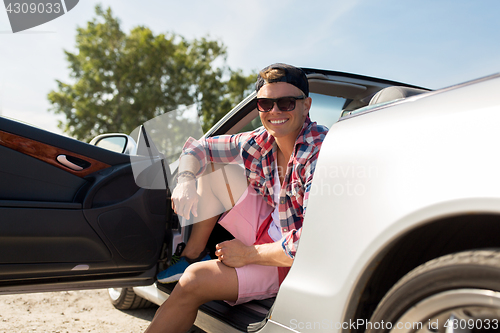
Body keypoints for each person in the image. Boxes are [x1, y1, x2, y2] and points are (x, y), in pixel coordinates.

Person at [144, 63, 329, 333]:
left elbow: (311, 243)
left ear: (306, 105)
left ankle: (194, 269)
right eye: (266, 104)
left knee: (195, 281)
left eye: (286, 102)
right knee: (216, 170)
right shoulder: (261, 141)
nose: (275, 111)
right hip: (266, 227)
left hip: (289, 262)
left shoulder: (320, 153)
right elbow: (198, 147)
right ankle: (192, 254)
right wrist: (185, 180)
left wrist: (248, 254)